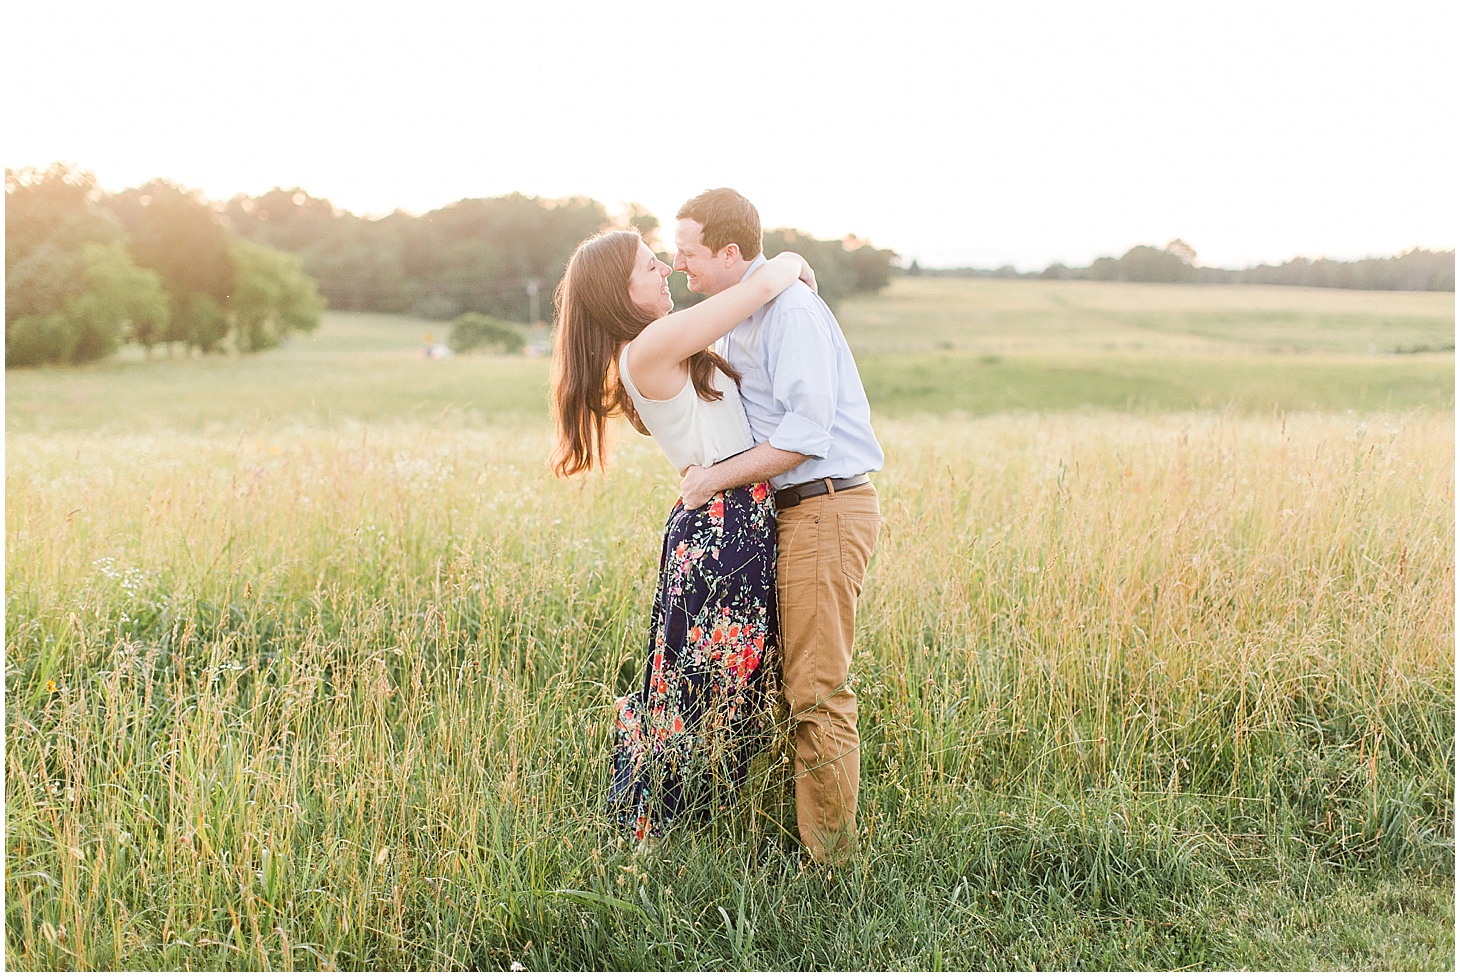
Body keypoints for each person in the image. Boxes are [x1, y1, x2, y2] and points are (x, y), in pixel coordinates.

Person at [549, 228, 818, 843]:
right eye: (651, 266)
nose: (667, 268)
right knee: (706, 686)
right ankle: (660, 830)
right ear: (622, 292)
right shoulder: (650, 345)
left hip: (726, 519)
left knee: (715, 681)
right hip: (721, 525)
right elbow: (767, 282)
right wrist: (796, 260)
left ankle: (679, 824)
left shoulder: (650, 346)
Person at [672, 188, 884, 865]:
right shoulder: (747, 311)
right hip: (793, 514)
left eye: (691, 255)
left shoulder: (788, 313)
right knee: (791, 682)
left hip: (824, 503)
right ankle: (801, 834)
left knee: (817, 687)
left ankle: (831, 865)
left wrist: (710, 479)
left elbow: (803, 435)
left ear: (731, 254)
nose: (683, 268)